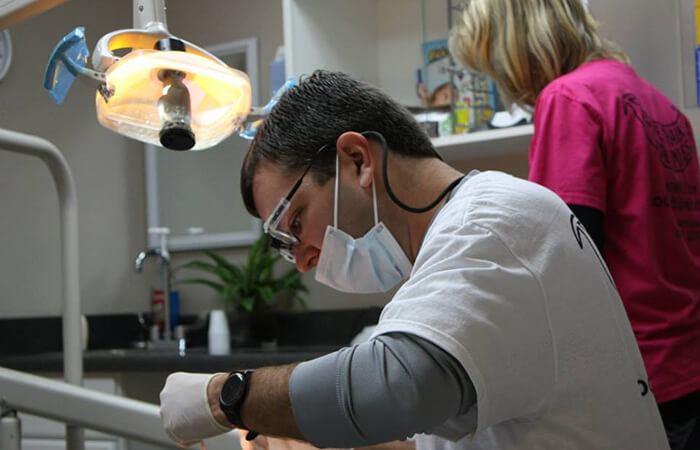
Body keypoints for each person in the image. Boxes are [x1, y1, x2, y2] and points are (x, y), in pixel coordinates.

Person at [159, 70, 670, 450]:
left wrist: (226, 398)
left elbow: (394, 390)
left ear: (357, 160)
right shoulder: (457, 244)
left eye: (295, 225)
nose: (304, 262)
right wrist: (295, 428)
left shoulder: (492, 221)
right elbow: (448, 421)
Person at [449, 1, 700, 448]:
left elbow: (558, 257)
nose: (505, 87)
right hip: (687, 364)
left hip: (632, 373)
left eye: (494, 68)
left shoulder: (569, 98)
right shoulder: (662, 107)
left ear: (514, 47)